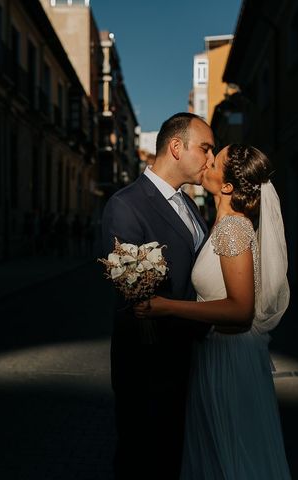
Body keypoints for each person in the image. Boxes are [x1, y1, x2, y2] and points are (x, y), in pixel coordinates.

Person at [134, 144, 292, 479]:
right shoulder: (222, 224)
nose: (206, 160)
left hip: (230, 354)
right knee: (220, 451)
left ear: (228, 187)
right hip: (218, 350)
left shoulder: (233, 229)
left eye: (214, 160)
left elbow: (240, 310)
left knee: (233, 453)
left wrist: (166, 307)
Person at [101, 112, 215, 479]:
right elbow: (133, 291)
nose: (210, 160)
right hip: (149, 360)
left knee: (173, 456)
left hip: (189, 354)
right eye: (206, 149)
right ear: (176, 147)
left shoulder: (191, 205)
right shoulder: (126, 204)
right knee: (142, 459)